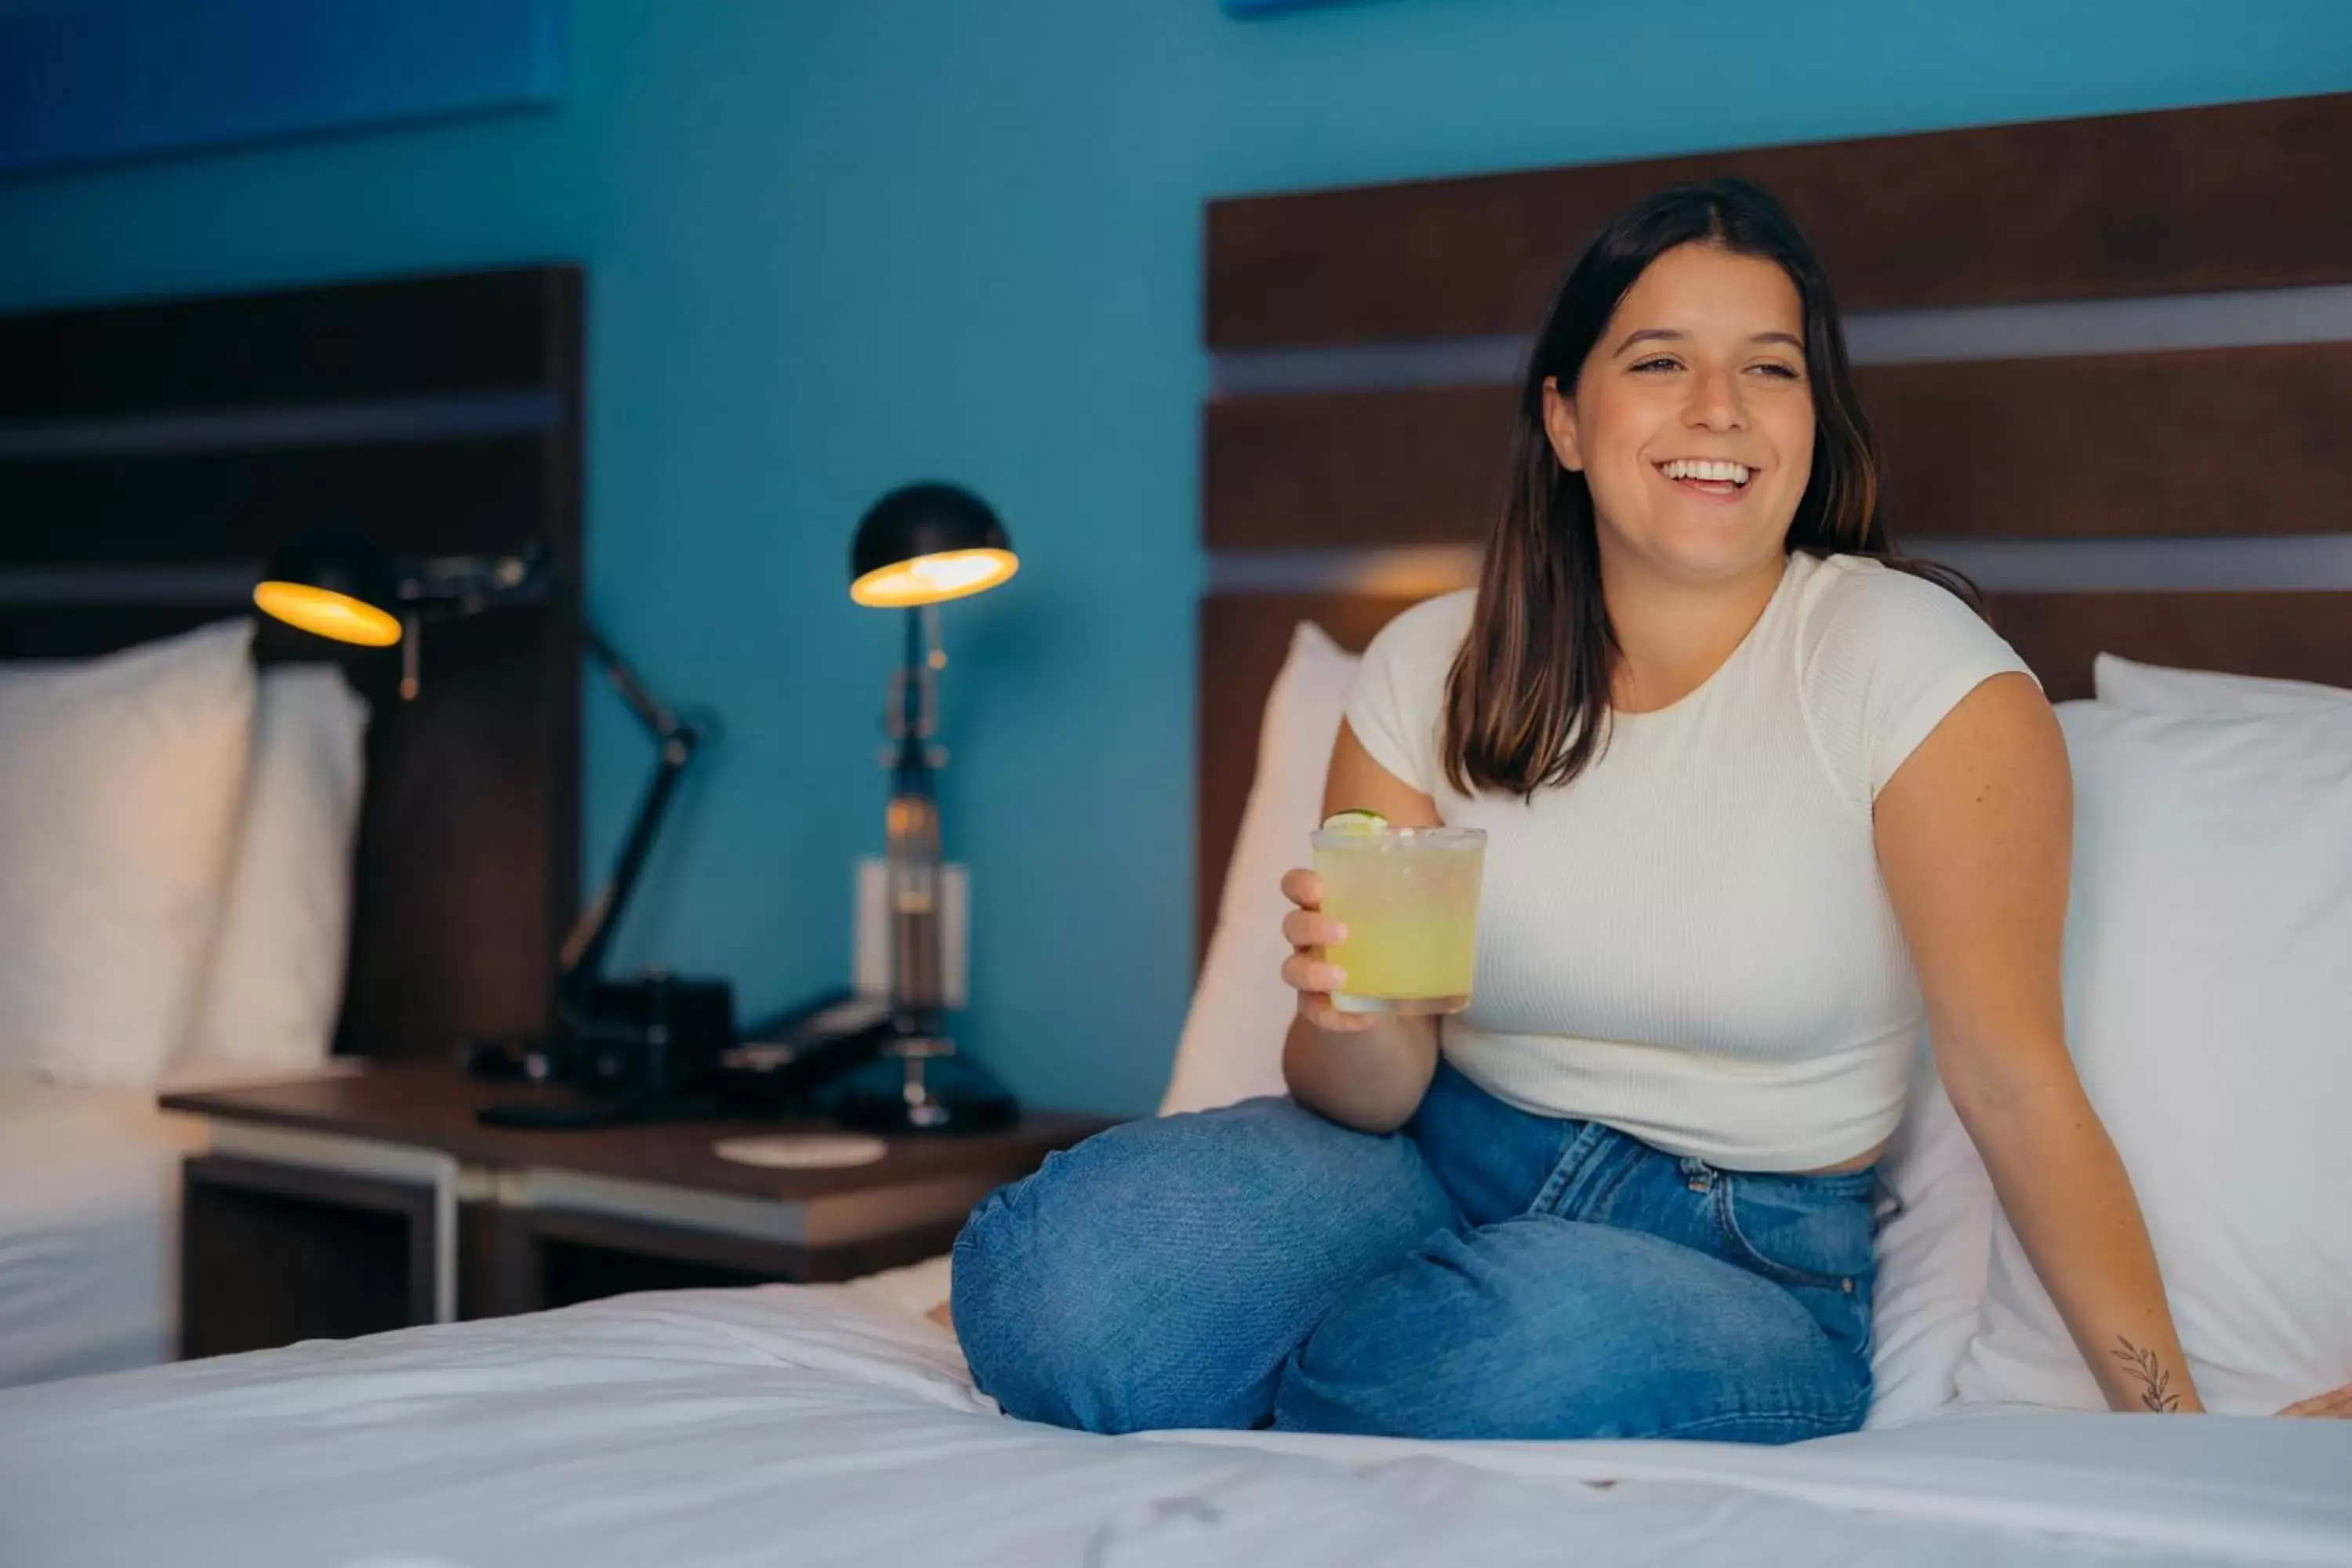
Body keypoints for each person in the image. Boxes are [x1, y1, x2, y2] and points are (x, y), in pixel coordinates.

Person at [948, 178, 2350, 1440]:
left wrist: (2180, 1429)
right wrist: (1344, 1019)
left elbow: (2012, 1078)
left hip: (1741, 1252)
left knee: (1512, 1347)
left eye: (1770, 368)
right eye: (1659, 361)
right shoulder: (1430, 665)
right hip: (1433, 1159)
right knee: (1052, 1285)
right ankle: (1323, 1365)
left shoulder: (1917, 672)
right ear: (1565, 417)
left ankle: (1289, 1372)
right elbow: (1369, 1092)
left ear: (1815, 419)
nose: (1718, 410)